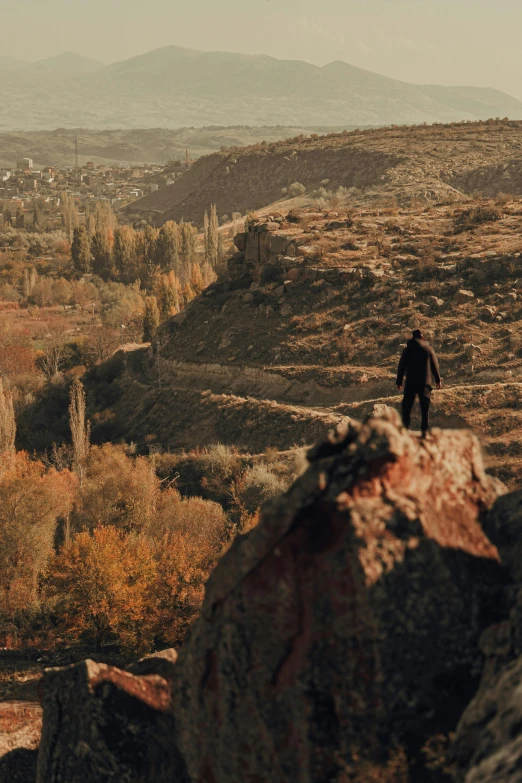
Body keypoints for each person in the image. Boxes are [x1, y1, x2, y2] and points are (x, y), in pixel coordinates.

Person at [396, 329, 442, 438]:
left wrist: (399, 382)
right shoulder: (428, 349)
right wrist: (438, 380)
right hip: (425, 382)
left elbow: (401, 366)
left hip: (411, 382)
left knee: (407, 406)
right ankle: (424, 431)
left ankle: (405, 428)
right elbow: (435, 366)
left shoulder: (407, 350)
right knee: (424, 408)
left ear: (412, 337)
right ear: (422, 337)